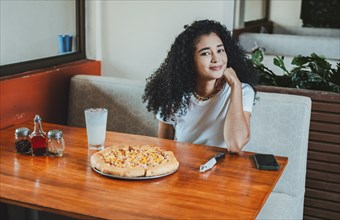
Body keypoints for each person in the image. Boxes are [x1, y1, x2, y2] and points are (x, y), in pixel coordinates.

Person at [142, 19, 257, 153]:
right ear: (190, 60)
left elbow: (235, 144)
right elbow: (163, 147)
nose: (216, 59)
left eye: (220, 50)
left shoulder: (242, 91)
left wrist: (235, 85)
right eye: (205, 53)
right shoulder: (173, 93)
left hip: (222, 170)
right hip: (182, 169)